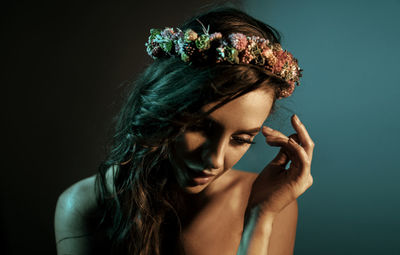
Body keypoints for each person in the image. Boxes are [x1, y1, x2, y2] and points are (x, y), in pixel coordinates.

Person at [54, 6, 314, 255]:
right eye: (200, 127)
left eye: (242, 139)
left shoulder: (271, 199)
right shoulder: (86, 205)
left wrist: (260, 217)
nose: (214, 159)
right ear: (165, 106)